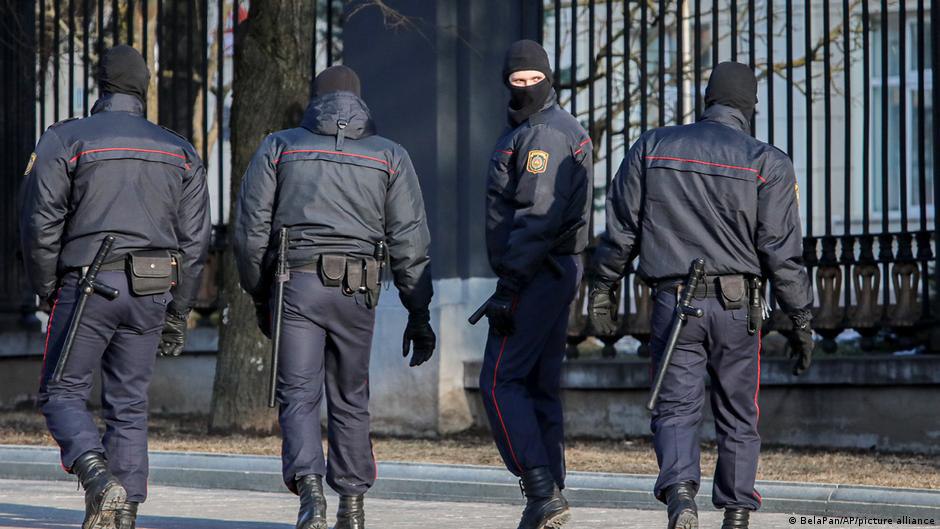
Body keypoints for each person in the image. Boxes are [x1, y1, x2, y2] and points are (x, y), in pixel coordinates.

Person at [587, 62, 815, 529]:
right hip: (737, 308)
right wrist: (800, 318)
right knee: (738, 411)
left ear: (707, 99)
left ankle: (680, 496)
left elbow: (622, 230)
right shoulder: (767, 161)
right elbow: (781, 251)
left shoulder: (652, 146)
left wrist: (604, 285)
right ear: (750, 106)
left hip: (675, 302)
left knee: (675, 406)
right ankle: (736, 511)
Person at [233, 65, 436, 529]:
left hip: (296, 284)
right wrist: (418, 311)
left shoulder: (280, 146)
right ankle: (352, 506)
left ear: (315, 101)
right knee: (350, 395)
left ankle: (311, 497)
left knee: (298, 394)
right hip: (358, 288)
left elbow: (250, 232)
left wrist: (260, 292)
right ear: (359, 103)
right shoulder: (390, 155)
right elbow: (410, 239)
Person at [19, 45, 211, 529]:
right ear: (144, 87)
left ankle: (98, 478)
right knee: (129, 403)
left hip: (89, 283)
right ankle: (123, 516)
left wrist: (47, 287)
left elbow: (39, 223)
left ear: (101, 85)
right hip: (152, 286)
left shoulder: (67, 139)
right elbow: (194, 241)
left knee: (60, 392)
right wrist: (178, 309)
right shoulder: (179, 150)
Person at [477, 40, 593, 529]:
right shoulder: (550, 127)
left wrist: (509, 286)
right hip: (552, 270)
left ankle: (541, 489)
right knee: (540, 385)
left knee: (499, 381)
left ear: (548, 78)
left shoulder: (543, 133)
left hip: (537, 272)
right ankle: (553, 493)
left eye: (533, 79)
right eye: (516, 80)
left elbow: (537, 216)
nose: (525, 87)